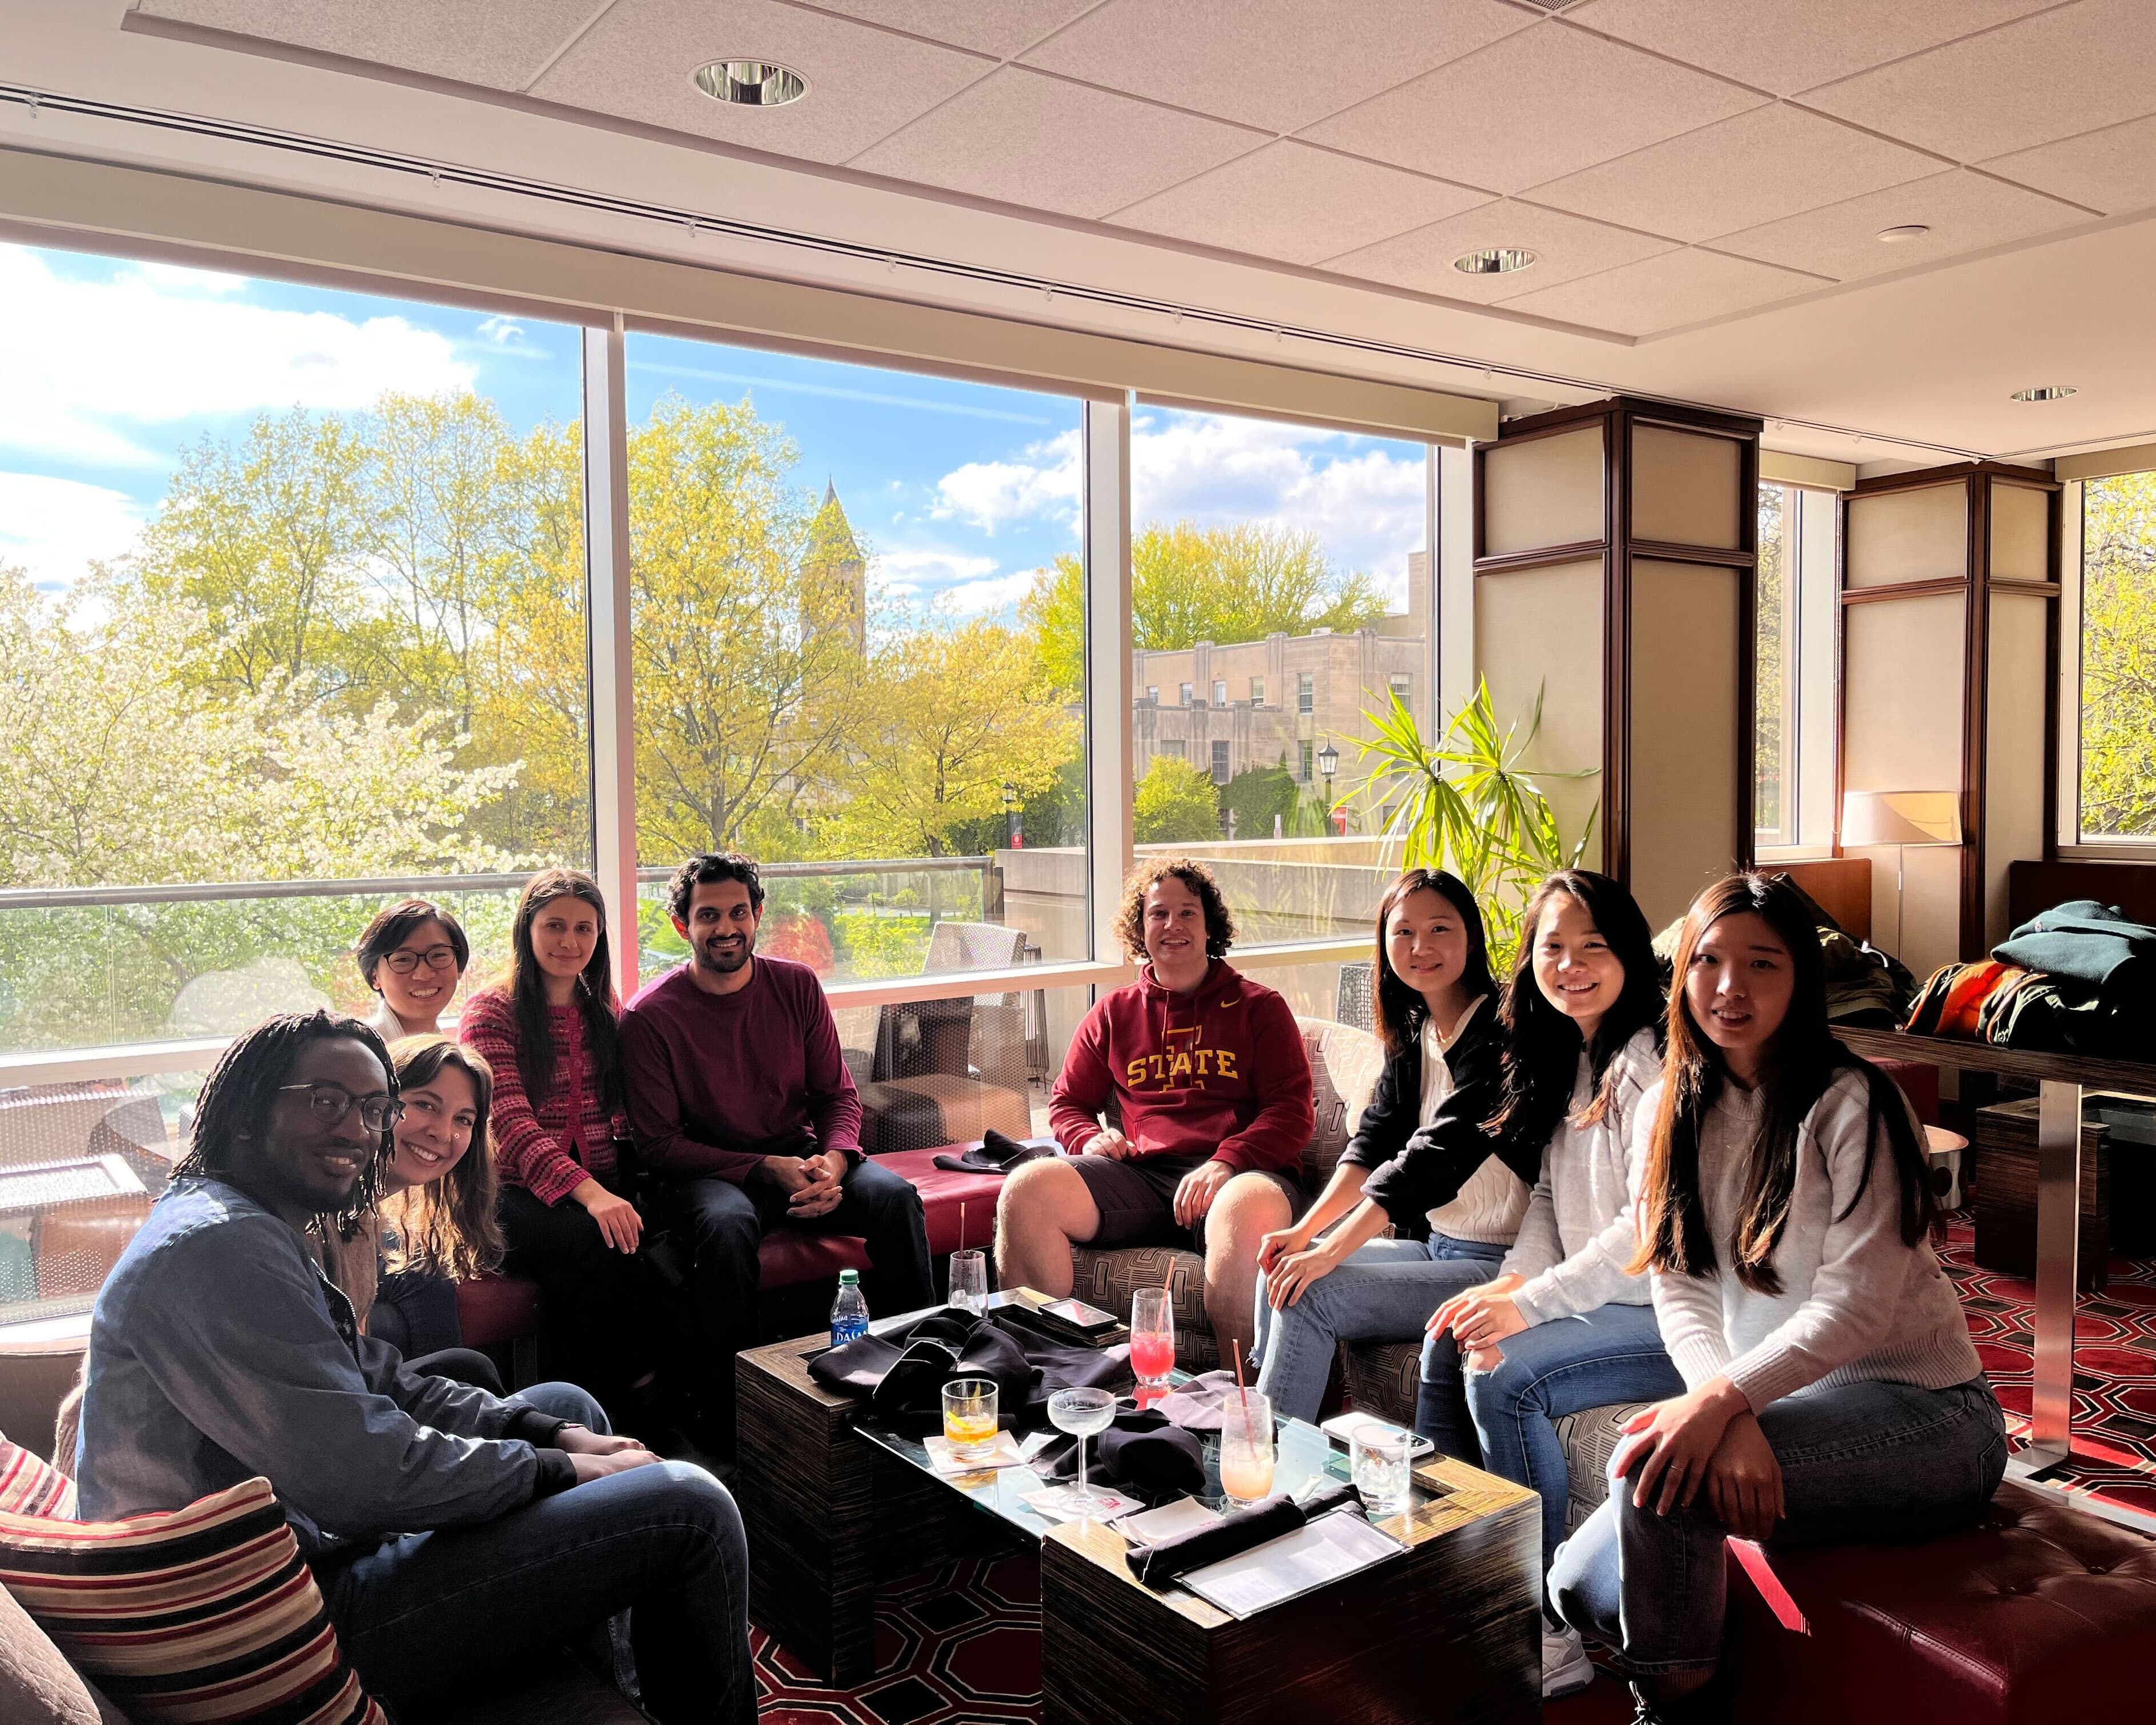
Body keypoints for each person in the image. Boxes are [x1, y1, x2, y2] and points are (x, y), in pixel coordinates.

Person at [73, 1011, 753, 1725]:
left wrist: (547, 1435)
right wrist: (557, 1470)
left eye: (373, 1110)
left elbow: (379, 1376)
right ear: (248, 1111)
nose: (358, 1131)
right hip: (266, 1620)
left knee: (568, 1408)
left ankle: (605, 1691)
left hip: (299, 1557)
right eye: (326, 1102)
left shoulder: (246, 1222)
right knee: (693, 1507)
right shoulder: (220, 1247)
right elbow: (366, 1478)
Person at [1548, 873, 2005, 1724]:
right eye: (1710, 962)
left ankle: (1672, 1712)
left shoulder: (1854, 1103)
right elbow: (1677, 1285)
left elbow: (1857, 1309)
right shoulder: (1672, 1110)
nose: (1731, 988)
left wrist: (1726, 1402)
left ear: (1801, 980)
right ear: (1682, 974)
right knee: (1573, 1585)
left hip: (1933, 1415)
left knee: (1662, 1483)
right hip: (1795, 1403)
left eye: (1763, 964)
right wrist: (1734, 1413)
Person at [1420, 870, 1678, 1699]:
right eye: (1551, 947)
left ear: (1630, 954)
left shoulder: (1654, 1064)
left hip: (1668, 1314)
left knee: (1505, 1375)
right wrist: (1507, 1287)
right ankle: (1462, 1575)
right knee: (1447, 1339)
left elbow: (1640, 1235)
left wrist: (1525, 1307)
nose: (1569, 965)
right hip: (1604, 1300)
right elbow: (1547, 1199)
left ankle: (1550, 1629)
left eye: (1592, 946)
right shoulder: (1573, 1054)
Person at [619, 852, 933, 1453]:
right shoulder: (650, 1016)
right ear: (682, 925)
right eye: (708, 915)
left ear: (758, 915)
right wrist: (763, 1169)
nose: (727, 927)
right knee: (728, 1225)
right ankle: (730, 1412)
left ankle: (914, 1371)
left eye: (739, 911)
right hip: (708, 1172)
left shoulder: (795, 985)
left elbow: (837, 1095)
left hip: (803, 1159)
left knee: (897, 1200)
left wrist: (836, 1162)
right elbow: (659, 1145)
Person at [998, 857, 1314, 1360]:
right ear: (1139, 928)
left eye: (1188, 913)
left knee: (1239, 1209)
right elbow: (1067, 1102)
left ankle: (1248, 1409)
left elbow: (1292, 1112)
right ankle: (1053, 1373)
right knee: (1027, 1189)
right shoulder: (1113, 1013)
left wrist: (1226, 1161)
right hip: (1145, 1180)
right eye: (1158, 914)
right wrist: (1087, 1138)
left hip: (1245, 1177)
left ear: (1210, 926)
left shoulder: (1260, 1007)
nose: (1173, 926)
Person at [1251, 867, 1515, 1421]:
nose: (1421, 947)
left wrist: (1331, 1250)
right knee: (1282, 1265)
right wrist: (1304, 1234)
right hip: (1439, 1245)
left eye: (1440, 929)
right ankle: (1286, 1419)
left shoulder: (1499, 1034)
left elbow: (1428, 1164)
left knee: (1311, 1290)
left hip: (1501, 1264)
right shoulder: (1417, 1027)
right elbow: (1373, 1145)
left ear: (1471, 935)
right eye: (1403, 932)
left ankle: (1266, 1460)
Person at [460, 870, 666, 1420]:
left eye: (584, 929)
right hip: (505, 1193)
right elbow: (508, 1120)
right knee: (597, 1246)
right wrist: (592, 1194)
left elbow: (620, 1109)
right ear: (526, 929)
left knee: (586, 1268)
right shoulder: (491, 1011)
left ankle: (578, 1420)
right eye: (554, 926)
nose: (569, 942)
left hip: (594, 1184)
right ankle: (637, 1400)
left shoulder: (604, 1010)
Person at [355, 898, 469, 1042]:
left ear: (459, 966)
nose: (424, 974)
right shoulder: (362, 1052)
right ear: (374, 976)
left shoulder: (443, 1047)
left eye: (439, 955)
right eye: (403, 960)